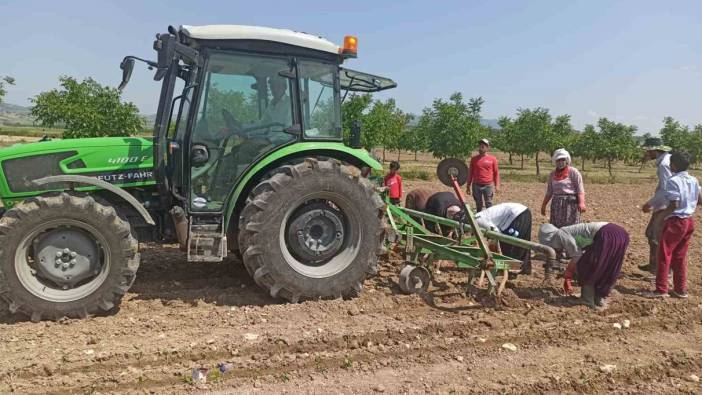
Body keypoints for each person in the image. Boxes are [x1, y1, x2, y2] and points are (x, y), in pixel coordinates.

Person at [644, 151, 701, 299]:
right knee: (680, 256)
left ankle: (661, 289)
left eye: (670, 163)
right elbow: (700, 199)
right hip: (688, 221)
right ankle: (680, 289)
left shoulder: (673, 180)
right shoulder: (693, 179)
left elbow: (674, 204)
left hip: (675, 221)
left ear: (674, 165)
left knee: (664, 254)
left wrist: (662, 217)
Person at [539, 222, 630, 309]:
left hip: (606, 234)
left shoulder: (561, 234)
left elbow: (577, 256)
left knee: (586, 265)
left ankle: (587, 300)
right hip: (621, 234)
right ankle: (598, 298)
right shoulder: (571, 231)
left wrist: (569, 273)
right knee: (605, 267)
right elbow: (583, 248)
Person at [638, 137, 673, 273]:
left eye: (648, 151)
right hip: (667, 204)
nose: (647, 154)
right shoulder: (667, 160)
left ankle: (660, 268)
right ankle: (656, 265)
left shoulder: (664, 164)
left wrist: (650, 203)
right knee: (654, 235)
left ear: (653, 150)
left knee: (654, 235)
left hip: (666, 205)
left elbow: (665, 189)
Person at [475, 203, 533, 274]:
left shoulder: (478, 220)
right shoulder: (479, 217)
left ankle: (512, 268)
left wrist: (493, 243)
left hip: (516, 215)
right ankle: (524, 268)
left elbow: (495, 232)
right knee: (521, 243)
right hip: (522, 212)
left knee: (509, 244)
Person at [541, 149, 586, 228]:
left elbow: (580, 189)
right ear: (555, 161)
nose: (560, 162)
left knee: (571, 228)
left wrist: (581, 203)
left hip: (570, 204)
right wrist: (544, 205)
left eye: (563, 159)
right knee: (557, 228)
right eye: (558, 160)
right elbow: (549, 191)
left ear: (567, 160)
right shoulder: (552, 174)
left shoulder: (574, 172)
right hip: (556, 204)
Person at [467, 138, 499, 212]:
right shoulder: (474, 159)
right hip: (476, 185)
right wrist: (468, 185)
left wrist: (497, 185)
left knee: (489, 203)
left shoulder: (492, 159)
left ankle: (490, 217)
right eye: (480, 146)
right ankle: (479, 217)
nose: (480, 148)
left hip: (488, 185)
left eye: (483, 146)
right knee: (478, 203)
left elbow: (496, 173)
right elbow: (470, 173)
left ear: (487, 148)